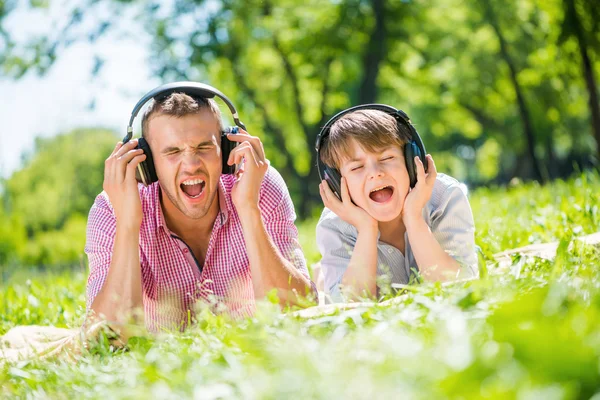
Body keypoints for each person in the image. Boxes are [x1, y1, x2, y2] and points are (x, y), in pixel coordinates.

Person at [85, 83, 316, 333]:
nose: (191, 165)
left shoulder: (257, 184)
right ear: (147, 163)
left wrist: (249, 209)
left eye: (204, 147)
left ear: (228, 148)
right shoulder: (112, 208)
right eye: (172, 151)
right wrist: (128, 223)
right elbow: (108, 337)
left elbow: (297, 313)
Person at [315, 106, 477, 303]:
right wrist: (367, 230)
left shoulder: (444, 197)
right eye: (357, 167)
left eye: (387, 158)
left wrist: (414, 219)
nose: (375, 172)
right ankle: (321, 276)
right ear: (336, 182)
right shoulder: (334, 225)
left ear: (411, 160)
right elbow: (352, 308)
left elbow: (457, 288)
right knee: (324, 287)